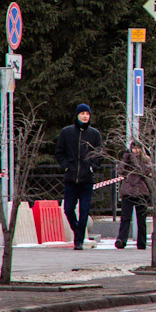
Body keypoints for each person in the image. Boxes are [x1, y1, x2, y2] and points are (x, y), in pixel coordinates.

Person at [55, 103, 102, 250]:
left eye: (87, 114)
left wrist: (92, 167)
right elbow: (59, 152)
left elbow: (99, 154)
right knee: (68, 209)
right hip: (71, 178)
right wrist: (66, 166)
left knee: (84, 211)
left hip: (87, 180)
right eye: (82, 113)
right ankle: (77, 231)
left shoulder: (94, 134)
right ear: (77, 115)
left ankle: (79, 241)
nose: (85, 116)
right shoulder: (67, 132)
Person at [115, 140, 153, 250]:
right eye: (133, 149)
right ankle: (121, 240)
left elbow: (144, 170)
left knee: (141, 219)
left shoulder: (146, 160)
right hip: (128, 191)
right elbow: (120, 170)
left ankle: (142, 242)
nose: (135, 151)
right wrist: (125, 159)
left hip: (141, 192)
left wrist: (135, 161)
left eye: (138, 149)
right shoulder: (127, 160)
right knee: (125, 217)